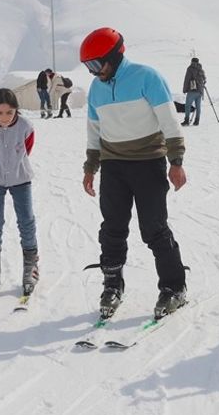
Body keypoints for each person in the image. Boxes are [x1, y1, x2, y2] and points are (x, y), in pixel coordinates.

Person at [79, 28, 189, 320]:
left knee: (154, 229)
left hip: (148, 162)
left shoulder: (146, 77)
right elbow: (94, 130)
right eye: (87, 67)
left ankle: (174, 287)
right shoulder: (97, 89)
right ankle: (113, 285)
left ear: (114, 56)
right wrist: (91, 166)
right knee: (112, 229)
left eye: (95, 65)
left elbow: (169, 120)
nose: (93, 73)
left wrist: (176, 161)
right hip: (114, 165)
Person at [0, 88, 38, 299]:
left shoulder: (25, 127)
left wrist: (14, 164)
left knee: (26, 220)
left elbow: (27, 148)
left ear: (16, 111)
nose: (4, 117)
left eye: (9, 112)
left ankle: (31, 265)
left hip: (21, 178)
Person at [182, 58, 207, 126]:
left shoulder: (190, 68)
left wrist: (184, 89)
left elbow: (187, 79)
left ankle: (186, 120)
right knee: (198, 107)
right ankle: (197, 121)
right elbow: (205, 79)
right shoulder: (201, 69)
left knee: (188, 105)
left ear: (192, 62)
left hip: (192, 90)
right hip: (200, 91)